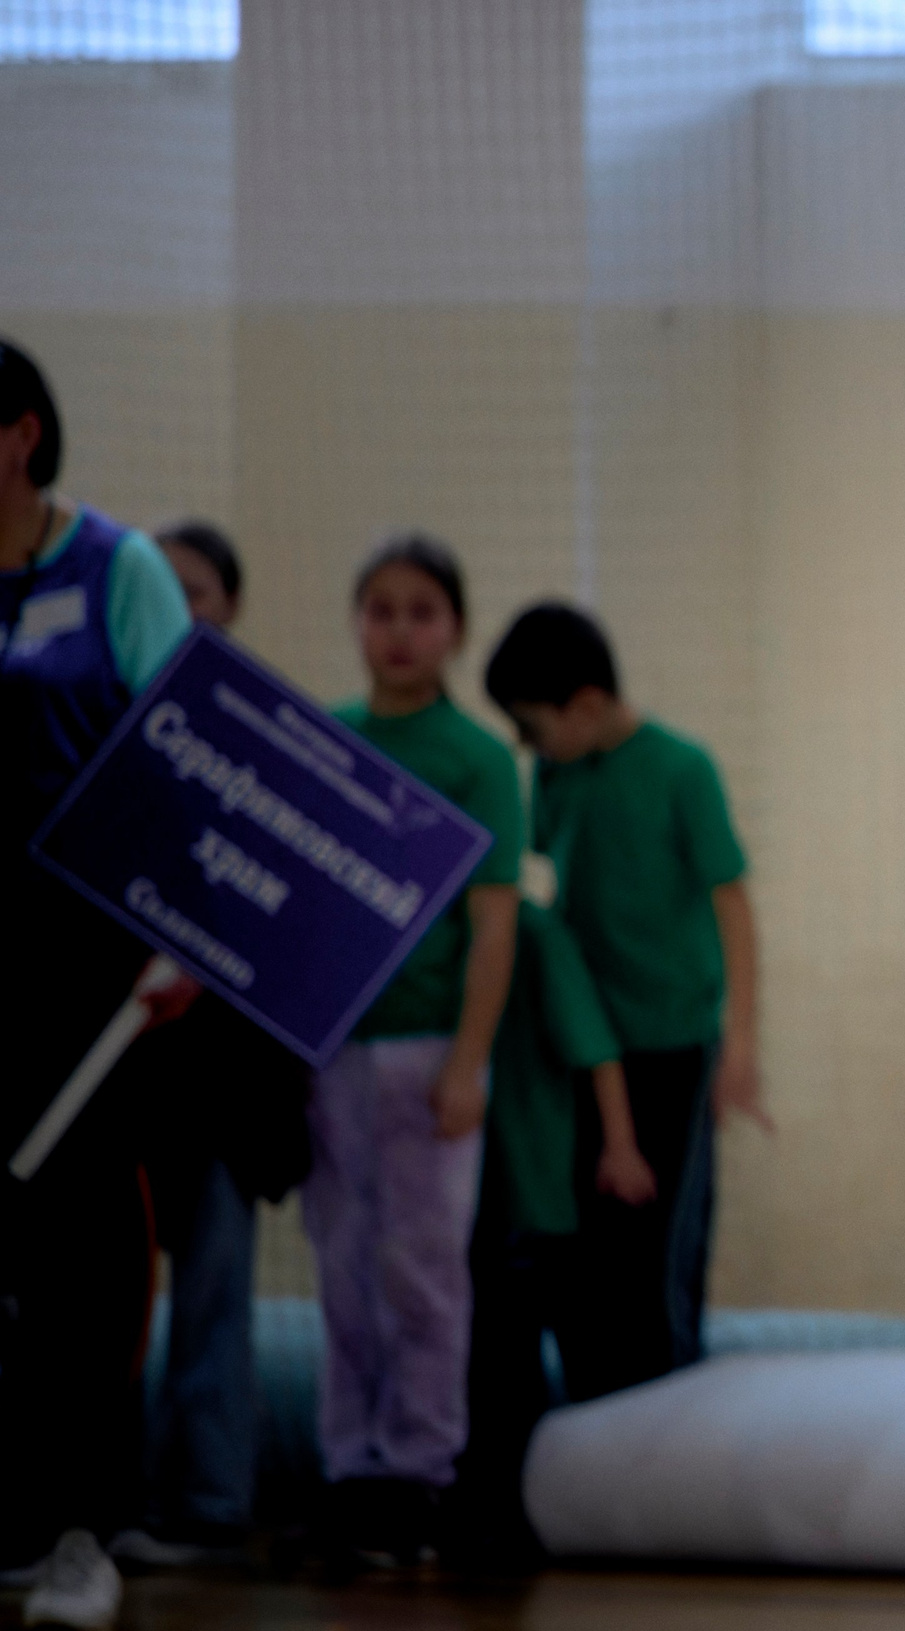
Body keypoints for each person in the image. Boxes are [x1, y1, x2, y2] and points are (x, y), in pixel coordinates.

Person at [0, 338, 195, 1631]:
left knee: (83, 1246)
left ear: (19, 432)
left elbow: (193, 751)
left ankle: (84, 1530)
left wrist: (180, 932)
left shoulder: (116, 566)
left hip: (88, 967)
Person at [482, 601, 765, 1401]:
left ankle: (666, 1429)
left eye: (533, 725)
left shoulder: (681, 768)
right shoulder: (558, 773)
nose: (527, 745)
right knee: (585, 1254)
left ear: (587, 704)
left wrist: (738, 1046)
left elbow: (733, 904)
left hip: (670, 1047)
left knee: (656, 1255)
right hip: (584, 1049)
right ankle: (591, 1435)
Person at [310, 534, 522, 1570]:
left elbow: (493, 926)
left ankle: (421, 1471)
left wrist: (467, 1062)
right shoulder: (324, 739)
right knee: (342, 1261)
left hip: (429, 1044)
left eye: (421, 611)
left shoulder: (478, 759)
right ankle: (349, 1466)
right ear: (356, 622)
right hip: (332, 1049)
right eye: (380, 608)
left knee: (425, 1270)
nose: (399, 630)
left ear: (455, 630)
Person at [112, 521, 313, 1571]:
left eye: (198, 591)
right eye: (164, 590)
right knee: (104, 1299)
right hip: (121, 1073)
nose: (182, 608)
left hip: (226, 1084)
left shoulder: (264, 745)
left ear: (230, 606)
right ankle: (99, 1497)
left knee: (214, 1294)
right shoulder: (108, 729)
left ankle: (208, 1500)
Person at [450, 863, 643, 1571]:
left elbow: (596, 1049)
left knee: (513, 1359)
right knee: (483, 1353)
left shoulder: (534, 934)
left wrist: (619, 1147)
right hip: (463, 1194)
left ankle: (515, 1512)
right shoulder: (436, 935)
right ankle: (480, 1505)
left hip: (528, 1187)